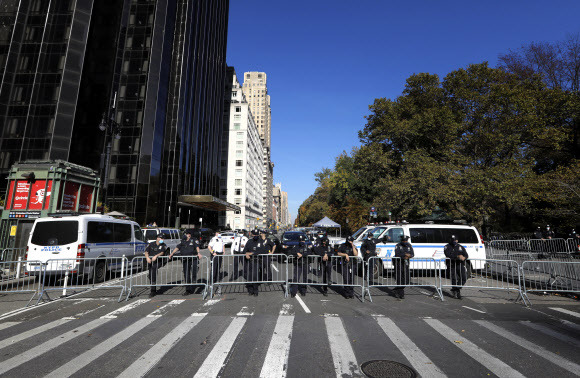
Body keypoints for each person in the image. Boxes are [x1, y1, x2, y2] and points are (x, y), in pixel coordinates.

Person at [169, 229, 201, 295]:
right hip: (185, 259)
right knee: (186, 274)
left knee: (194, 271)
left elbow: (197, 246)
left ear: (190, 234)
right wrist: (172, 253)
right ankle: (188, 289)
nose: (187, 235)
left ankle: (194, 282)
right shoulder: (183, 241)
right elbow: (178, 247)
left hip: (193, 258)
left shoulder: (194, 239)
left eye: (188, 234)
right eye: (186, 234)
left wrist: (199, 253)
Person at [144, 233, 170, 297]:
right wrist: (147, 257)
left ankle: (153, 291)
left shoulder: (163, 245)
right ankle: (153, 287)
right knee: (151, 274)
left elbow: (162, 252)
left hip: (159, 261)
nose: (162, 239)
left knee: (153, 270)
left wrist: (156, 256)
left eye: (163, 238)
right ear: (157, 238)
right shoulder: (151, 244)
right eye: (161, 238)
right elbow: (146, 252)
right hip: (151, 261)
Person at [444, 235, 469, 299]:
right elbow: (448, 254)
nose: (454, 241)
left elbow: (466, 255)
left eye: (456, 240)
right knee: (454, 278)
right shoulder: (447, 246)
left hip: (459, 263)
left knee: (464, 277)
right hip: (451, 264)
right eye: (453, 240)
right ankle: (456, 292)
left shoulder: (460, 247)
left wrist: (464, 257)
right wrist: (457, 256)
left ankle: (456, 289)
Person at [243, 229, 261, 296]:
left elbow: (261, 251)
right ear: (252, 235)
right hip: (249, 261)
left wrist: (252, 253)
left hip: (256, 261)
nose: (256, 236)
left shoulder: (260, 241)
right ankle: (250, 291)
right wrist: (246, 253)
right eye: (254, 234)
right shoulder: (249, 241)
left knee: (255, 276)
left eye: (257, 234)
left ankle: (255, 291)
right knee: (249, 276)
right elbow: (245, 250)